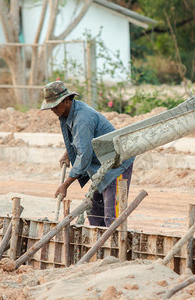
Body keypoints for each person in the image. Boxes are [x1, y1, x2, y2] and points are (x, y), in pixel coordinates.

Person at [41, 81, 134, 227]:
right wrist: (68, 152)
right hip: (100, 168)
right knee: (94, 213)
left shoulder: (82, 117)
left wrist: (65, 185)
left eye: (55, 105)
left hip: (116, 166)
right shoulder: (69, 112)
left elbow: (84, 156)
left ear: (66, 100)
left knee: (112, 217)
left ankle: (115, 248)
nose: (52, 109)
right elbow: (81, 139)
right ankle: (99, 247)